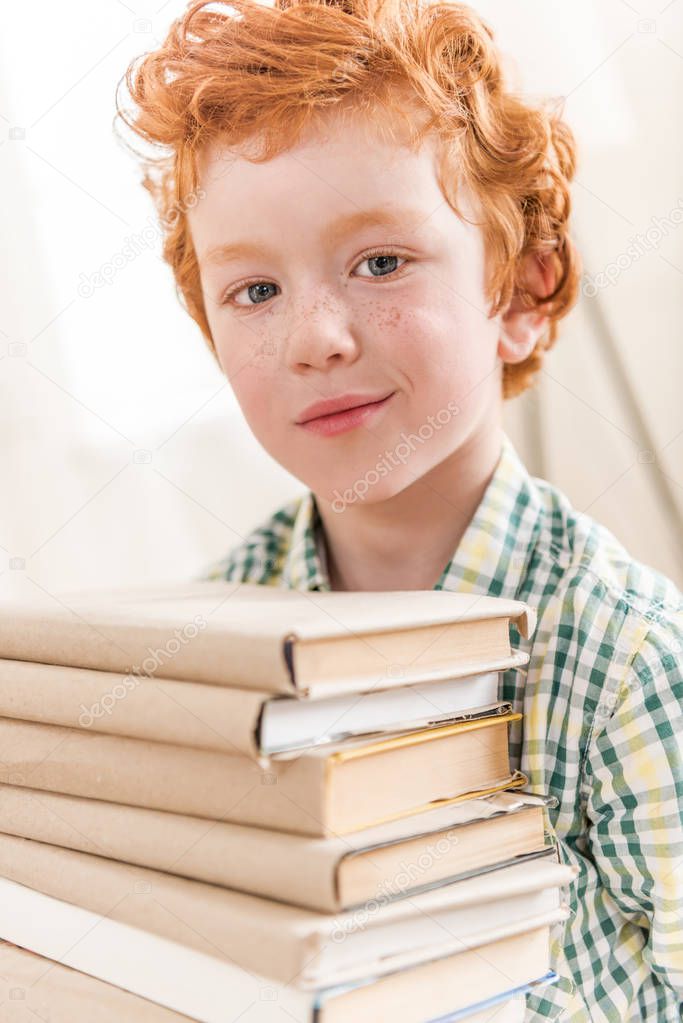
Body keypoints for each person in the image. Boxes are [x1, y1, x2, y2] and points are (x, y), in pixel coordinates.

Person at [117, 0, 683, 1018]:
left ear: (515, 296)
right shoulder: (216, 634)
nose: (314, 337)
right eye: (253, 291)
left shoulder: (627, 660)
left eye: (378, 263)